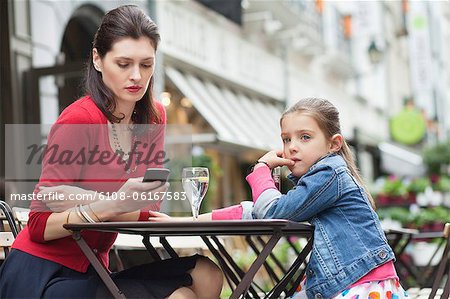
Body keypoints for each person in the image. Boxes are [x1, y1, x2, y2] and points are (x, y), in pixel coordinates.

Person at [0, 5, 222, 299]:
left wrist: (85, 199)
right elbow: (40, 225)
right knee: (181, 296)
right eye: (123, 63)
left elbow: (149, 206)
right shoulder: (79, 119)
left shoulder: (153, 116)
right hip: (42, 276)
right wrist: (113, 203)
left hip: (95, 269)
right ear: (98, 59)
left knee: (207, 273)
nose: (136, 76)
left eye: (146, 64)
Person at [150, 98, 409, 299]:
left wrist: (261, 169)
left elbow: (272, 212)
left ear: (334, 144)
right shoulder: (318, 184)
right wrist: (186, 221)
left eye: (305, 137)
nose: (292, 146)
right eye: (286, 139)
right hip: (347, 282)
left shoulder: (330, 172)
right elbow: (252, 211)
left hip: (361, 286)